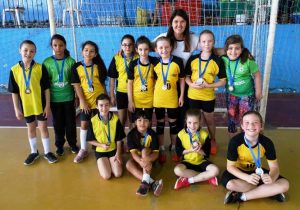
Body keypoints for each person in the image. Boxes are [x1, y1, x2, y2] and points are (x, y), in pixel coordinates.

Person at [221, 111, 289, 204]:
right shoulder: (235, 142)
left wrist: (271, 178)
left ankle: (241, 196)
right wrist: (247, 178)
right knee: (230, 184)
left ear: (261, 125)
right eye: (247, 123)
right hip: (238, 172)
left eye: (255, 122)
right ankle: (269, 191)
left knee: (285, 184)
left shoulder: (267, 142)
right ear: (242, 126)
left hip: (256, 172)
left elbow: (274, 168)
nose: (251, 126)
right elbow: (230, 167)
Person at [8, 40, 58, 165]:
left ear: (35, 53)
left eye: (31, 51)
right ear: (20, 50)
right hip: (26, 106)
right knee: (31, 128)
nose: (28, 53)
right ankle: (34, 152)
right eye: (25, 50)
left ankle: (47, 152)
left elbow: (46, 88)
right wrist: (17, 109)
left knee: (43, 128)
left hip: (40, 104)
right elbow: (14, 92)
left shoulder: (40, 68)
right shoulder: (14, 70)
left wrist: (47, 106)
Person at [185, 30, 226, 155]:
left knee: (209, 119)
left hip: (208, 96)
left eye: (209, 41)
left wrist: (209, 85)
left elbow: (223, 81)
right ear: (200, 43)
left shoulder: (217, 60)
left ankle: (212, 139)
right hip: (193, 95)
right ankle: (196, 140)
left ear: (213, 42)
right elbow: (186, 77)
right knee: (195, 120)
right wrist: (191, 84)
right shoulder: (192, 59)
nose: (206, 44)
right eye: (203, 41)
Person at [43, 34, 79, 156]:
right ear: (52, 46)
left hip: (68, 98)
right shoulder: (47, 62)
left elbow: (75, 82)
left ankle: (73, 144)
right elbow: (45, 84)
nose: (58, 48)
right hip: (54, 99)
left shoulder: (71, 61)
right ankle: (59, 145)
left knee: (70, 123)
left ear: (65, 46)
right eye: (55, 45)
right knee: (58, 124)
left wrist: (76, 97)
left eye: (61, 45)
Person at [71, 40, 107, 163]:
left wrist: (107, 98)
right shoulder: (76, 67)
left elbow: (102, 84)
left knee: (99, 124)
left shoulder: (99, 67)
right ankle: (83, 149)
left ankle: (99, 146)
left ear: (95, 54)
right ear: (82, 52)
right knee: (84, 124)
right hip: (85, 102)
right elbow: (77, 86)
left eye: (92, 51)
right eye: (86, 50)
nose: (88, 53)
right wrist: (83, 101)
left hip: (99, 102)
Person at [222, 35, 262, 138]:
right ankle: (233, 142)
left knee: (246, 119)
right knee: (232, 119)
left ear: (242, 49)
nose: (233, 51)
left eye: (237, 48)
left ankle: (244, 141)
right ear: (226, 49)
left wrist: (258, 92)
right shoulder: (223, 60)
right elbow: (213, 50)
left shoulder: (248, 61)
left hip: (247, 95)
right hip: (231, 95)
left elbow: (257, 75)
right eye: (230, 48)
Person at [153, 36, 185, 163]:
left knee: (173, 123)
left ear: (171, 47)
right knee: (160, 123)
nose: (164, 50)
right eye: (161, 47)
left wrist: (181, 95)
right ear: (156, 49)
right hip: (158, 98)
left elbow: (182, 79)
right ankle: (161, 146)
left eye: (166, 47)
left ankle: (173, 145)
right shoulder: (154, 62)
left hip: (172, 97)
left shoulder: (178, 61)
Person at [174, 109, 219, 190]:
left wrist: (199, 150)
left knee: (215, 170)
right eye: (189, 123)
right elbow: (178, 152)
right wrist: (190, 150)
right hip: (187, 162)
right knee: (177, 170)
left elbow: (207, 153)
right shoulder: (181, 134)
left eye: (195, 123)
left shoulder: (204, 135)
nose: (192, 126)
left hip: (201, 162)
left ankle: (189, 180)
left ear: (200, 122)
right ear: (186, 121)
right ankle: (206, 176)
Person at [86, 94, 125, 179]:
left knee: (118, 174)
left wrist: (118, 153)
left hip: (113, 149)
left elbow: (119, 139)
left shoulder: (115, 119)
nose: (104, 108)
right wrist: (101, 145)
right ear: (96, 106)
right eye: (101, 105)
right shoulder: (93, 121)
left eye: (106, 105)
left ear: (110, 105)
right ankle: (103, 162)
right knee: (106, 176)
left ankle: (110, 162)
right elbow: (89, 140)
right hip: (100, 150)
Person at [126, 110, 163, 197]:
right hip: (139, 160)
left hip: (149, 159)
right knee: (128, 164)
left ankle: (145, 184)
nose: (142, 123)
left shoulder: (152, 134)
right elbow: (134, 153)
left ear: (149, 122)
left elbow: (156, 154)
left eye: (145, 120)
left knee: (144, 151)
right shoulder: (131, 135)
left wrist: (146, 160)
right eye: (139, 120)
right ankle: (151, 182)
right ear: (135, 122)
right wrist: (140, 162)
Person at [108, 34, 139, 128]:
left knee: (133, 121)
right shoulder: (116, 58)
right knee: (121, 120)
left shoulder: (139, 57)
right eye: (125, 45)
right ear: (121, 46)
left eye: (130, 44)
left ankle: (132, 141)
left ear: (134, 45)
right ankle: (119, 142)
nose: (127, 47)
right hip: (121, 92)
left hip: (134, 92)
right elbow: (112, 79)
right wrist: (112, 96)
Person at [128, 35, 158, 126]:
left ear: (149, 49)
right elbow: (129, 84)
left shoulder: (155, 62)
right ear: (136, 50)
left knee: (147, 123)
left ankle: (147, 140)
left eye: (146, 49)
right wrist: (130, 101)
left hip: (150, 99)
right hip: (136, 99)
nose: (143, 52)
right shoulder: (133, 64)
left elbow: (157, 82)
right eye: (140, 49)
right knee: (135, 123)